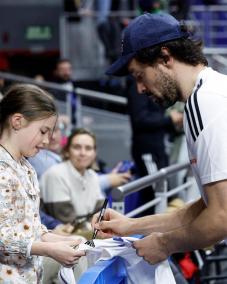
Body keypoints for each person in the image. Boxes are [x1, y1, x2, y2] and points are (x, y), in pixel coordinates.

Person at [92, 12, 227, 266]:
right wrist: (129, 225)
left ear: (165, 57)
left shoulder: (205, 102)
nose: (140, 89)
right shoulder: (211, 91)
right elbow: (206, 207)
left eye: (140, 75)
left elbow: (221, 217)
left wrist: (164, 244)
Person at [0, 83, 85, 283]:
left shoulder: (26, 168)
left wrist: (66, 241)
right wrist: (49, 249)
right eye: (43, 131)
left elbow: (31, 228)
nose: (47, 141)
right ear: (18, 121)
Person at [40, 128, 104, 224]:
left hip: (86, 234)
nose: (83, 153)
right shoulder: (55, 174)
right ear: (67, 151)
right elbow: (67, 224)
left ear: (94, 154)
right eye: (77, 147)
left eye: (88, 148)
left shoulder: (93, 176)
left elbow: (100, 215)